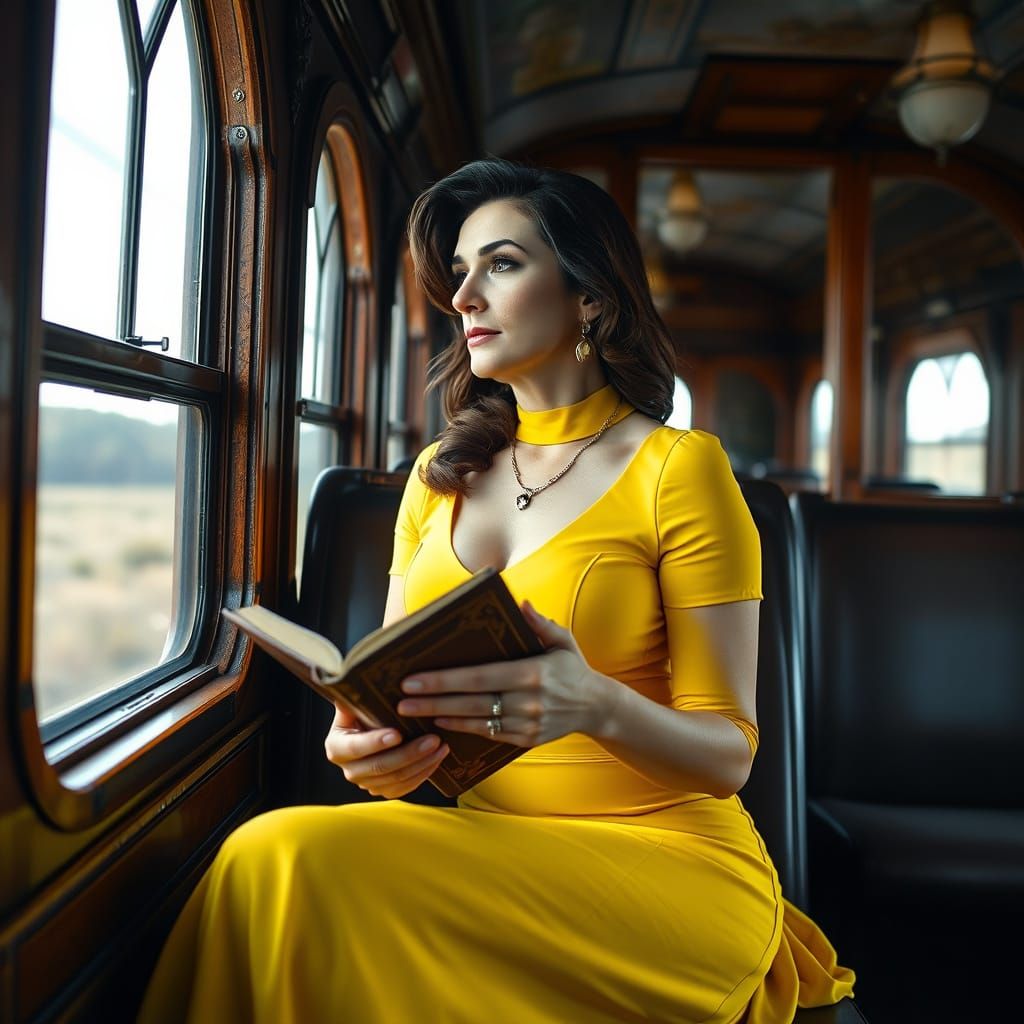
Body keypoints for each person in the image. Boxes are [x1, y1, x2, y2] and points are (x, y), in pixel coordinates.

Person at [138, 159, 855, 1023]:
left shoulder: (680, 469)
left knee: (288, 855)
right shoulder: (437, 480)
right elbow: (388, 693)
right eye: (461, 272)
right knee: (268, 857)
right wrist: (363, 748)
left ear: (589, 296)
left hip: (668, 862)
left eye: (502, 264)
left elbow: (730, 753)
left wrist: (595, 705)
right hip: (484, 844)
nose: (464, 296)